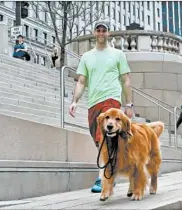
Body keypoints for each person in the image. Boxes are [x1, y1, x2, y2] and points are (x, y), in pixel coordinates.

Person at [68, 20, 134, 193]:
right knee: (99, 140)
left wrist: (129, 104)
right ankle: (112, 170)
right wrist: (75, 101)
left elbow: (126, 79)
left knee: (105, 137)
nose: (101, 33)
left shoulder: (118, 54)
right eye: (98, 30)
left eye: (104, 30)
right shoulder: (87, 57)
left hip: (111, 99)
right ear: (95, 33)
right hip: (93, 103)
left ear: (108, 34)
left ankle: (102, 177)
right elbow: (82, 81)